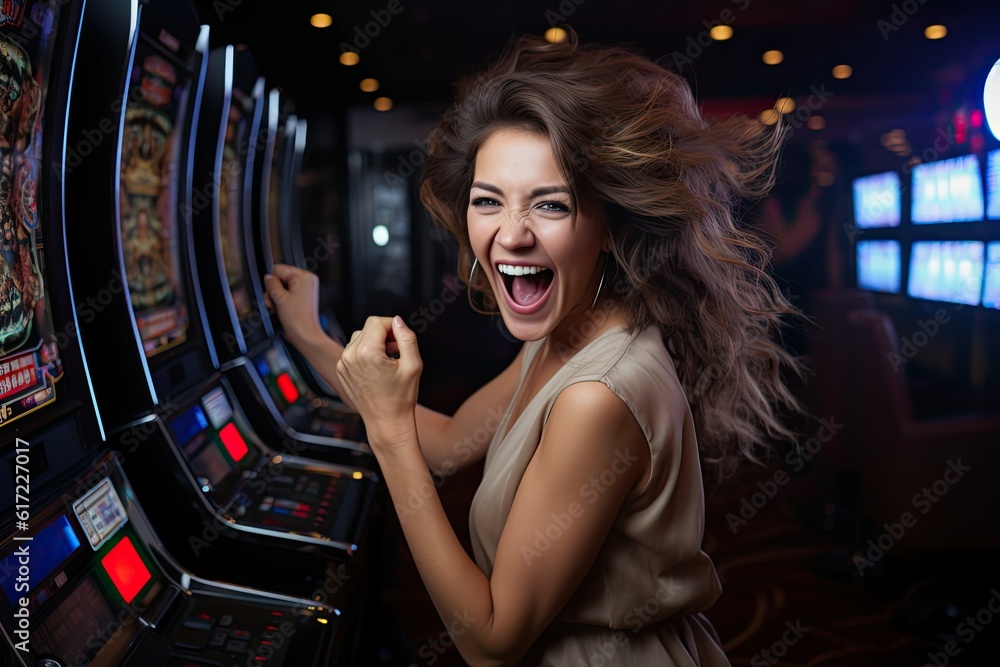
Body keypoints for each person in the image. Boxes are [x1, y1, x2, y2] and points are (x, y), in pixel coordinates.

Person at [265, 31, 801, 667]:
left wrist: (386, 432)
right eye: (488, 202)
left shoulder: (595, 398)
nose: (510, 235)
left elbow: (491, 641)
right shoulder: (570, 335)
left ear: (608, 223)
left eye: (550, 205)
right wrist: (312, 339)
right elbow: (449, 444)